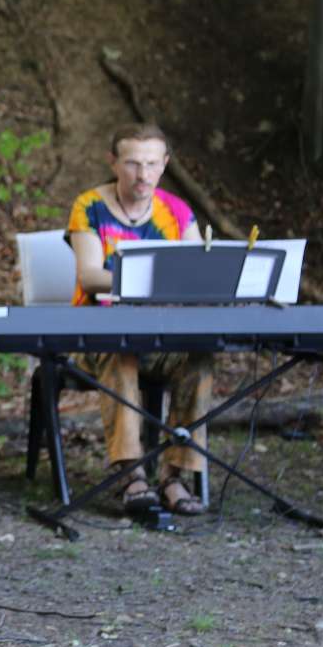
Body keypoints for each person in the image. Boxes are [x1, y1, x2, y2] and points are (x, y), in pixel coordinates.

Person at [67, 122, 211, 516]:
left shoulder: (177, 212)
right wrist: (160, 283)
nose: (142, 174)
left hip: (163, 337)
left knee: (198, 358)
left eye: (151, 164)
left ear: (164, 164)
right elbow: (91, 277)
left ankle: (174, 476)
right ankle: (131, 475)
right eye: (132, 163)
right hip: (95, 338)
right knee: (120, 353)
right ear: (113, 162)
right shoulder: (89, 206)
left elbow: (198, 277)